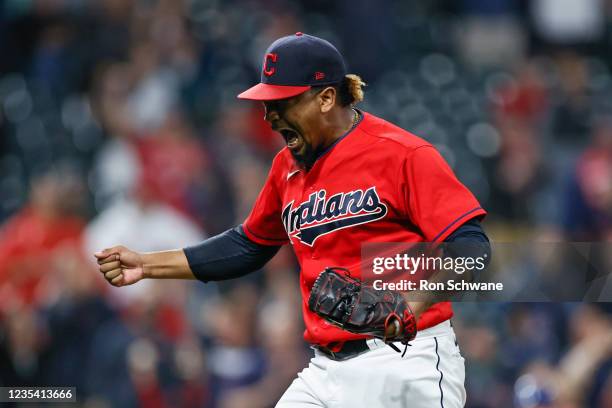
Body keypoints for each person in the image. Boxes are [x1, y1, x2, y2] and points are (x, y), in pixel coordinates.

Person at [95, 32, 491, 407]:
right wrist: (147, 265)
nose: (269, 116)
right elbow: (248, 245)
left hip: (405, 360)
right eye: (268, 104)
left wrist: (411, 304)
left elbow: (473, 249)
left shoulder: (402, 154)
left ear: (326, 98)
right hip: (325, 369)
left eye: (283, 103)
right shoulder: (286, 167)